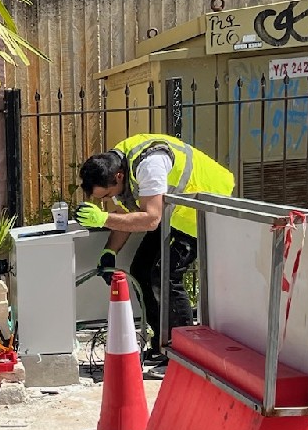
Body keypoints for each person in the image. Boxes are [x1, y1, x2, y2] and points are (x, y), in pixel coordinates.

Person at [74, 135, 235, 361]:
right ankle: (163, 344)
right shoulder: (116, 164)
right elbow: (127, 215)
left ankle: (184, 353)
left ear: (118, 177)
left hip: (200, 211)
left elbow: (150, 219)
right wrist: (110, 251)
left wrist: (103, 219)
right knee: (141, 270)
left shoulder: (150, 164)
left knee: (165, 275)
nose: (109, 199)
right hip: (172, 214)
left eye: (108, 194)